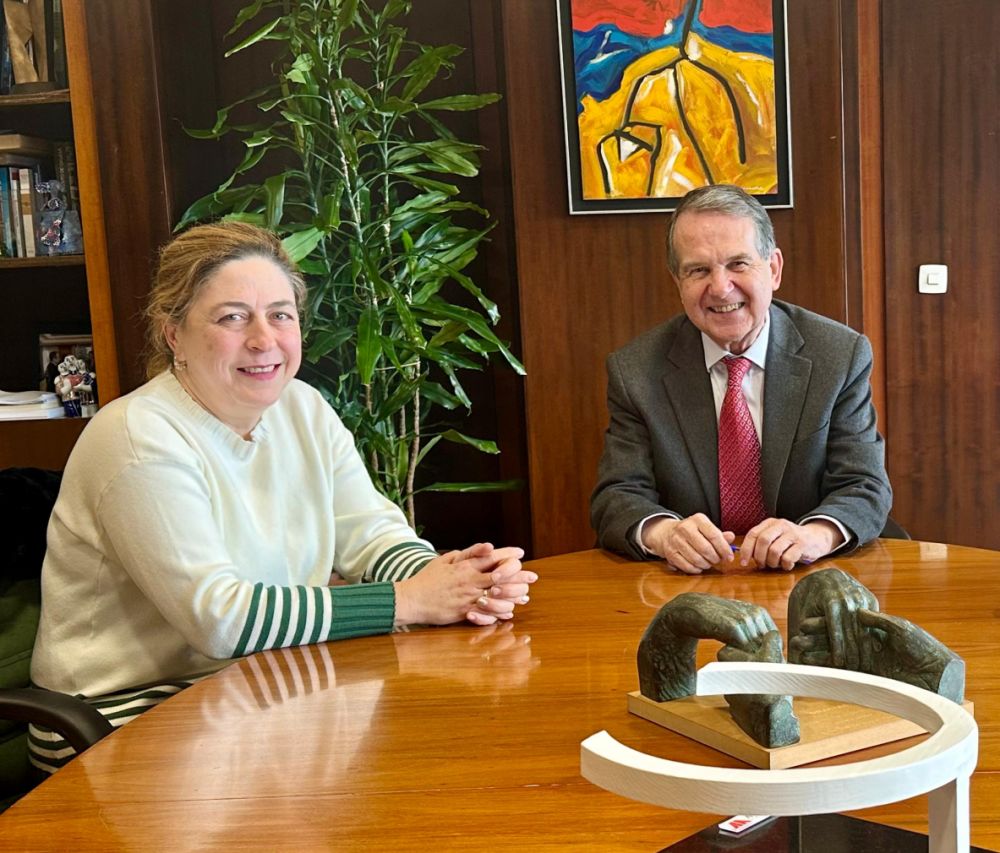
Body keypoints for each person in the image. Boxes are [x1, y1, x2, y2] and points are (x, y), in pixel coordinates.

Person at [30, 221, 536, 772]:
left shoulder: (302, 407)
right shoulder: (136, 435)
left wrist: (462, 582)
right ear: (172, 332)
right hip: (118, 712)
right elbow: (221, 620)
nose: (263, 339)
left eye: (280, 314)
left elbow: (368, 533)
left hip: (253, 681)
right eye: (232, 317)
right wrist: (413, 600)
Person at [590, 184, 891, 573]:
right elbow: (617, 495)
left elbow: (864, 485)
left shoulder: (838, 355)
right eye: (698, 270)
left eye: (738, 264)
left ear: (774, 268)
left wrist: (812, 536)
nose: (720, 287)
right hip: (691, 586)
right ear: (677, 282)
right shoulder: (635, 371)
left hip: (813, 577)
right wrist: (666, 534)